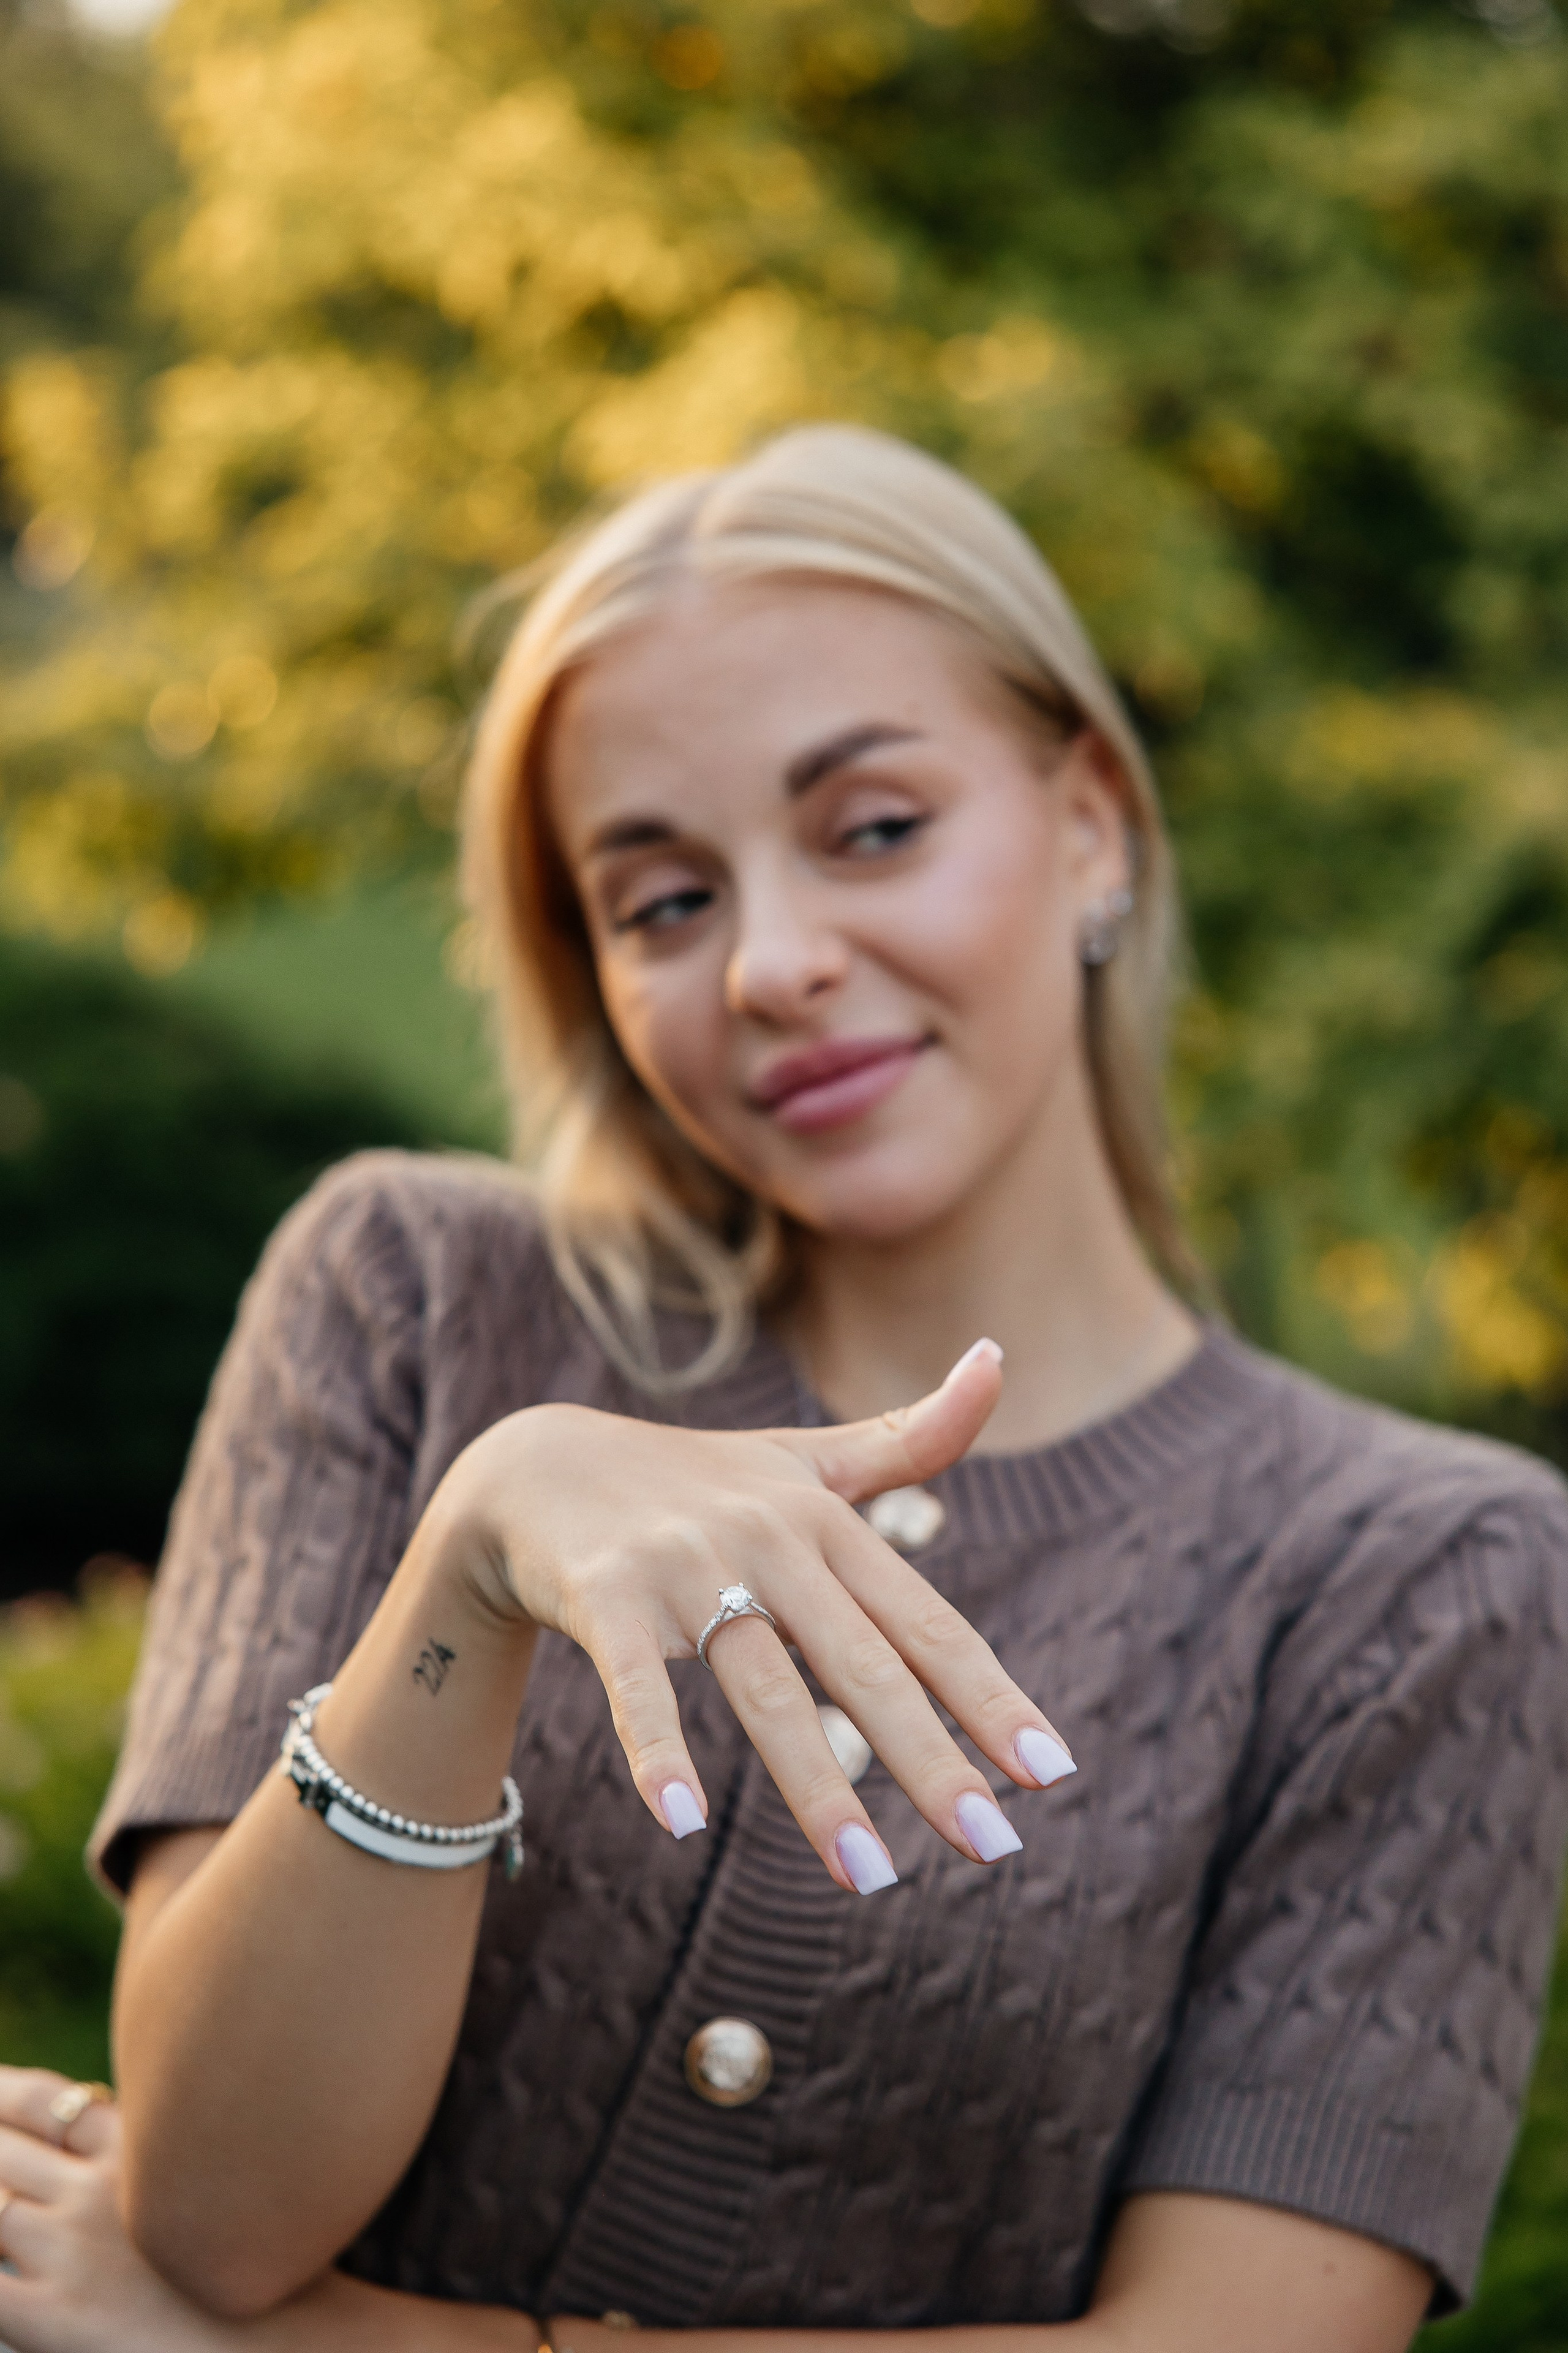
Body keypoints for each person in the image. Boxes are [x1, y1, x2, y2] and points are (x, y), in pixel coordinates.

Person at [2, 426, 1562, 2353]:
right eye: (662, 901)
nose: (776, 963)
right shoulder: (407, 1296)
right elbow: (220, 2204)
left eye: (874, 827)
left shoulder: (1428, 1570)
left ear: (1089, 821)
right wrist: (477, 1547)